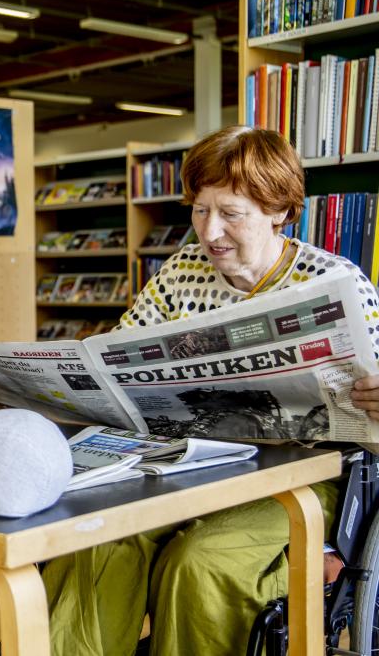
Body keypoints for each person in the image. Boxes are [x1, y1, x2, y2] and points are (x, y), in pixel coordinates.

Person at [38, 125, 379, 655]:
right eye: (200, 210)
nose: (210, 231)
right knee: (99, 541)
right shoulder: (181, 272)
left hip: (303, 480)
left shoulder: (338, 282)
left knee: (201, 561)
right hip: (191, 467)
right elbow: (117, 361)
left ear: (280, 211)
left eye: (231, 213)